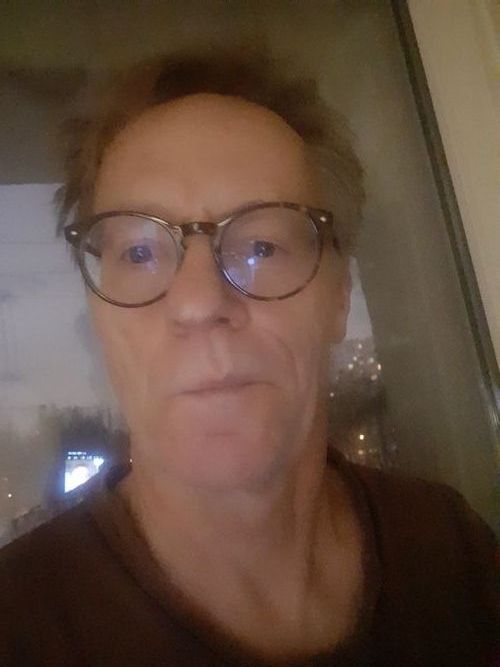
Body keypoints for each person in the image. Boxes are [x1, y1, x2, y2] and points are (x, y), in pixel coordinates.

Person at [0, 49, 498, 667]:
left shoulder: (451, 548)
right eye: (139, 253)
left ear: (339, 298)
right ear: (100, 317)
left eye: (263, 245)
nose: (199, 303)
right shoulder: (18, 625)